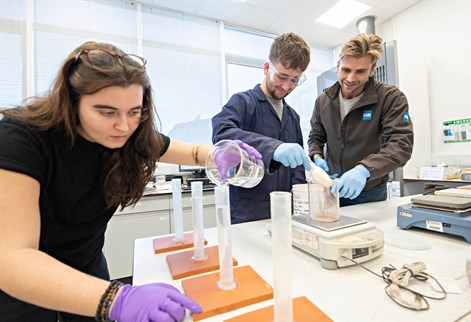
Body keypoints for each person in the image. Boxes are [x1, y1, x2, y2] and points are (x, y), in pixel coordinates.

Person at [0, 41, 260, 322]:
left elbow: (191, 152)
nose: (124, 126)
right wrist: (117, 299)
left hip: (88, 267)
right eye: (107, 112)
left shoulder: (132, 137)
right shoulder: (21, 139)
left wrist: (218, 152)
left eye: (134, 112)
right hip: (23, 282)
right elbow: (11, 257)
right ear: (72, 102)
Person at [212, 32, 312, 224]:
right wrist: (273, 148)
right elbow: (221, 132)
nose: (286, 86)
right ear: (267, 68)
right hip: (249, 210)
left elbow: (297, 168)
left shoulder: (292, 116)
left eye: (294, 80)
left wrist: (302, 199)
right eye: (282, 76)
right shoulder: (243, 102)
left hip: (286, 210)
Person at [308, 33, 413, 207]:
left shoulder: (390, 98)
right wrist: (317, 157)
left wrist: (364, 170)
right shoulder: (323, 101)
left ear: (372, 70)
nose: (350, 78)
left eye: (360, 71)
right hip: (331, 188)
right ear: (337, 66)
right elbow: (316, 137)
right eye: (346, 70)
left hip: (369, 192)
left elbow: (401, 145)